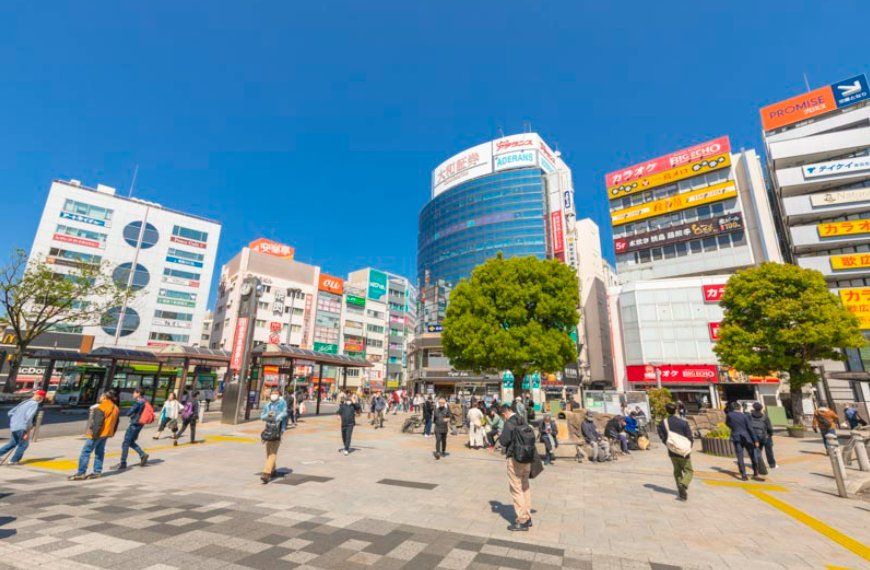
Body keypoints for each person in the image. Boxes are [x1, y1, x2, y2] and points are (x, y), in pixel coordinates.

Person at [498, 403, 535, 531]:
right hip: (527, 459)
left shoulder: (509, 423)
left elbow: (503, 441)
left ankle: (522, 520)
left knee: (516, 489)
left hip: (515, 459)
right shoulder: (522, 419)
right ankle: (528, 516)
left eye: (503, 417)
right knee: (525, 487)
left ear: (504, 413)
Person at [69, 391, 120, 480]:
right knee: (99, 452)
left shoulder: (101, 407)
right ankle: (97, 471)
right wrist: (112, 433)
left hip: (97, 434)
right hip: (107, 433)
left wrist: (94, 435)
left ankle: (81, 472)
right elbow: (116, 423)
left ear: (104, 397)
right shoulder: (116, 407)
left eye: (101, 395)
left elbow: (98, 423)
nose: (99, 397)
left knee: (86, 452)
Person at [657, 402, 694, 501]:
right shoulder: (683, 422)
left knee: (677, 471)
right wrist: (688, 447)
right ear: (676, 410)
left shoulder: (662, 423)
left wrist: (669, 445)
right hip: (684, 451)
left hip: (672, 450)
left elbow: (662, 437)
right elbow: (690, 437)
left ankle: (681, 491)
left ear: (666, 410)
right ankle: (683, 484)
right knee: (689, 471)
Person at [1, 390, 44, 465]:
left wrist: (16, 420)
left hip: (14, 426)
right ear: (40, 397)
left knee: (12, 443)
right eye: (42, 398)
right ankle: (14, 460)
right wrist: (27, 430)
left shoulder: (24, 402)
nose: (41, 399)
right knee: (24, 444)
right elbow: (29, 417)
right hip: (21, 427)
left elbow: (10, 412)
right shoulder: (34, 404)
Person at [114, 388, 150, 470]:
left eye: (134, 393)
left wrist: (131, 413)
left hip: (134, 424)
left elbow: (128, 413)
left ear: (138, 393)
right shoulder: (145, 401)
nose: (133, 394)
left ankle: (123, 463)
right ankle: (143, 454)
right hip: (140, 424)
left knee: (126, 443)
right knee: (130, 442)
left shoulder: (138, 403)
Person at [726, 401, 761, 480]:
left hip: (736, 437)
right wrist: (755, 440)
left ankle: (743, 475)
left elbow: (727, 423)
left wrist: (733, 428)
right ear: (739, 408)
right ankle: (755, 472)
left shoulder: (729, 415)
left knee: (740, 456)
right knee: (752, 455)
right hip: (747, 437)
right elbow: (750, 428)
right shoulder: (745, 416)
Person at [259, 388, 288, 484]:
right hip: (268, 429)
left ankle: (266, 473)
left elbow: (285, 413)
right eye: (273, 393)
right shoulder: (268, 405)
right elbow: (262, 416)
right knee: (268, 452)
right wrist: (268, 415)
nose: (274, 395)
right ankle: (273, 470)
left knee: (273, 452)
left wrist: (278, 416)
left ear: (279, 394)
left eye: (276, 393)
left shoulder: (282, 403)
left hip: (277, 429)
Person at [747, 402, 777, 470]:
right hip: (765, 436)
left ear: (753, 408)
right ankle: (772, 465)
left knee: (757, 451)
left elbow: (748, 427)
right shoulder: (765, 417)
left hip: (755, 437)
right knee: (769, 451)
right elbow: (769, 428)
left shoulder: (749, 416)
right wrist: (770, 434)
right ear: (761, 408)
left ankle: (757, 465)